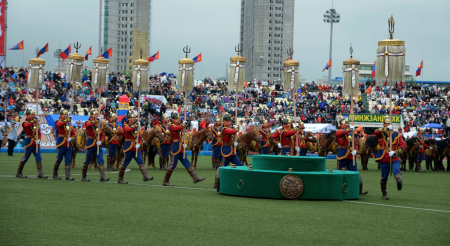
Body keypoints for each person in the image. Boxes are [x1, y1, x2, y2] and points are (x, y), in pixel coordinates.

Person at [163, 112, 205, 186]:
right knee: (172, 164)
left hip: (180, 147)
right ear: (174, 119)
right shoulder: (172, 126)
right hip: (176, 147)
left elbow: (180, 128)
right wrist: (183, 124)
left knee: (187, 163)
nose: (179, 120)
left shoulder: (176, 125)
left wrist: (183, 143)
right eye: (178, 118)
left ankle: (195, 177)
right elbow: (179, 128)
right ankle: (165, 181)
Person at [374, 117, 406, 200]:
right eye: (386, 123)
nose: (387, 125)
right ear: (383, 124)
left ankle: (399, 180)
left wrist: (396, 152)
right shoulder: (380, 133)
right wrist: (385, 129)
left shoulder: (397, 134)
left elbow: (402, 145)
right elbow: (376, 131)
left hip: (394, 156)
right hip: (384, 156)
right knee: (384, 176)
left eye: (389, 123)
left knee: (396, 170)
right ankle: (384, 193)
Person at [118, 112, 153, 184]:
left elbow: (140, 137)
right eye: (133, 118)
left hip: (136, 147)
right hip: (129, 147)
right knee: (125, 163)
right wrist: (135, 126)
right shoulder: (125, 125)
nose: (135, 119)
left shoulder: (136, 126)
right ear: (130, 119)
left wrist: (139, 143)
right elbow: (128, 130)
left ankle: (145, 176)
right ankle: (120, 179)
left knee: (141, 162)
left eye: (135, 118)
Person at [336, 118, 367, 195]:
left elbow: (354, 143)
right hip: (342, 155)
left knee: (354, 172)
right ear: (341, 124)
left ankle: (358, 188)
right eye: (346, 123)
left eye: (348, 123)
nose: (347, 124)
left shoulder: (350, 133)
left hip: (351, 156)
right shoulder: (339, 131)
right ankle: (337, 188)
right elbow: (339, 134)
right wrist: (349, 129)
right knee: (339, 173)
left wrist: (355, 150)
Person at [16, 109, 47, 178]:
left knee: (38, 158)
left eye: (34, 114)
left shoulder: (36, 123)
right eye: (32, 114)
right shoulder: (25, 122)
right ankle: (19, 172)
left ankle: (40, 174)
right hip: (29, 142)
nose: (33, 115)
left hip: (36, 143)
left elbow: (39, 133)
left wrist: (39, 139)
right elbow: (27, 125)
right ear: (29, 115)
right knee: (25, 158)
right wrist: (34, 121)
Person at [214, 114, 241, 189]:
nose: (230, 122)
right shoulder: (224, 129)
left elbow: (232, 133)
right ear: (225, 122)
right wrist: (236, 129)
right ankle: (217, 182)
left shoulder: (227, 129)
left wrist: (234, 143)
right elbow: (232, 132)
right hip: (226, 150)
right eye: (229, 121)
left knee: (239, 165)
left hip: (231, 150)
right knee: (223, 167)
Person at [82, 109, 108, 182]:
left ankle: (102, 176)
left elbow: (102, 134)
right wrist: (96, 121)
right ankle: (84, 176)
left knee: (101, 160)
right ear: (92, 115)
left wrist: (101, 140)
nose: (97, 116)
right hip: (90, 143)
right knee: (87, 159)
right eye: (95, 114)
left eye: (97, 114)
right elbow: (88, 125)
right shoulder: (88, 122)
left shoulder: (100, 124)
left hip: (98, 144)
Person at [53, 109, 76, 180]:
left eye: (67, 114)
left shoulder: (69, 124)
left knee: (68, 159)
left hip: (69, 143)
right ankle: (55, 174)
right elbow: (60, 124)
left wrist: (71, 138)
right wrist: (67, 120)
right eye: (65, 114)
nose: (66, 115)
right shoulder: (58, 121)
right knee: (59, 159)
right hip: (61, 143)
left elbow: (73, 134)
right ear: (61, 115)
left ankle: (68, 175)